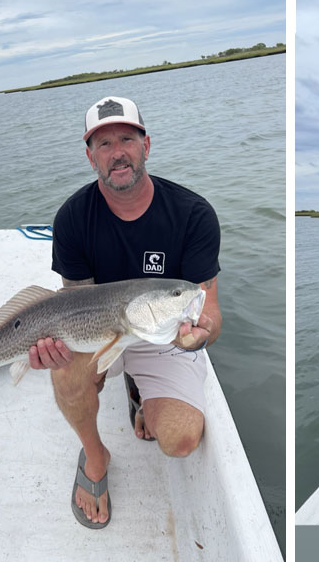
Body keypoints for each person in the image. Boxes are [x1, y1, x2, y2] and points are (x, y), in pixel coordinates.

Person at [27, 96, 222, 528]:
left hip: (166, 334)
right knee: (67, 373)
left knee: (181, 438)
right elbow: (73, 305)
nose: (117, 152)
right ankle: (95, 455)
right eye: (104, 144)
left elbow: (209, 307)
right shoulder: (73, 218)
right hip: (98, 330)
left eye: (127, 139)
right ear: (89, 156)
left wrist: (200, 333)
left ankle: (142, 392)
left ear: (146, 145)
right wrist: (60, 351)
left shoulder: (194, 215)